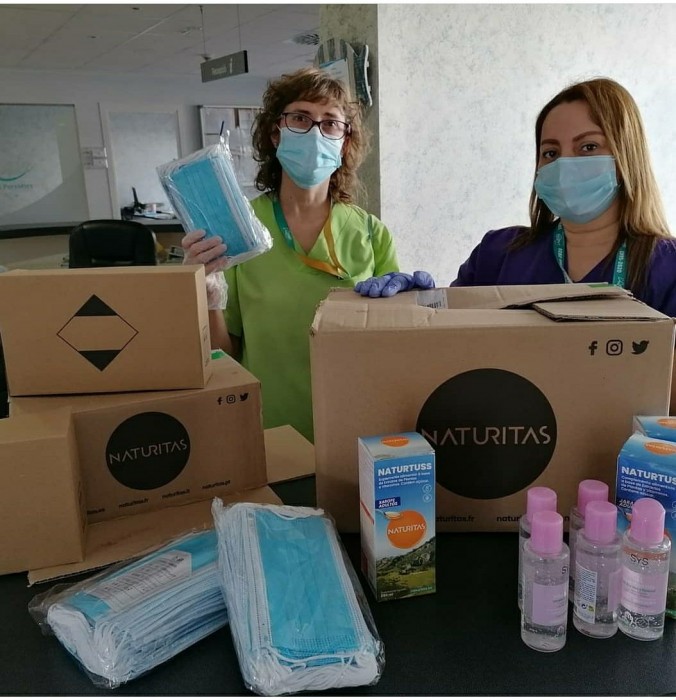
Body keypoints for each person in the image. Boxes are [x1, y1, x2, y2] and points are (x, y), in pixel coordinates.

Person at [355, 77, 676, 409]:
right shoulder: (498, 253)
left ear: (627, 155)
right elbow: (444, 348)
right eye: (550, 153)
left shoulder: (667, 267)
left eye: (588, 147)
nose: (564, 165)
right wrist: (411, 306)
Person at [182, 67, 403, 442]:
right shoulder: (238, 231)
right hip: (269, 430)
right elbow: (224, 356)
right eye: (300, 118)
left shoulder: (371, 234)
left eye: (330, 123)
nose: (316, 133)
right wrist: (205, 298)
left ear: (344, 141)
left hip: (356, 426)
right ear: (275, 133)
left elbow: (393, 346)